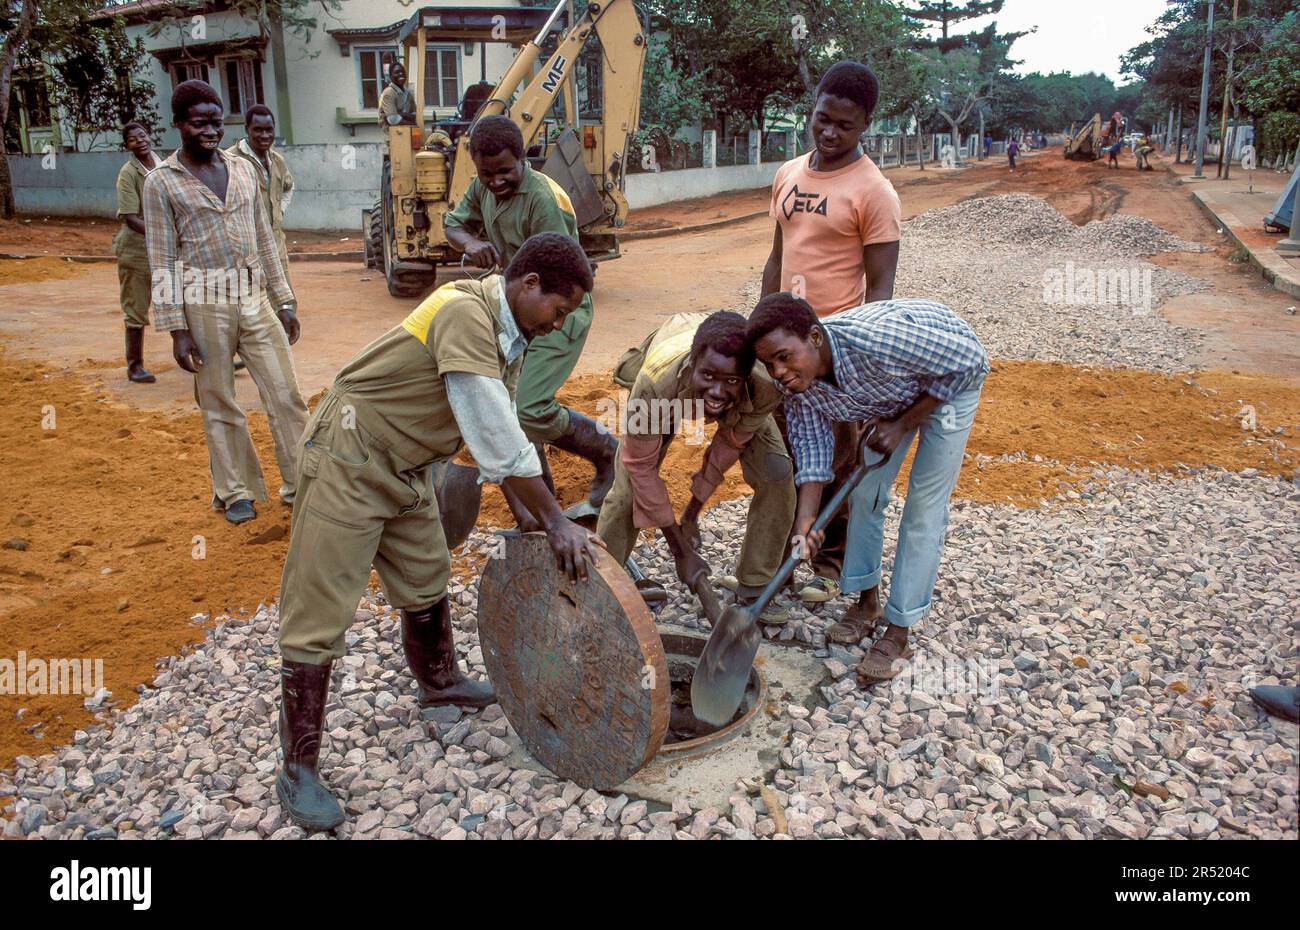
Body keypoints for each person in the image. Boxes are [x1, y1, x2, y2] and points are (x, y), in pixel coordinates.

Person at [275, 232, 603, 830]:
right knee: (318, 608)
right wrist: (556, 521)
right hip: (350, 456)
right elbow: (492, 428)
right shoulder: (463, 313)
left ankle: (440, 681)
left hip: (406, 465)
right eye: (559, 311)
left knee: (426, 571)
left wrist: (533, 517)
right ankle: (298, 768)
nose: (559, 326)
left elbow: (500, 430)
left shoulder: (508, 333)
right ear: (529, 284)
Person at [747, 294, 988, 675]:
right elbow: (813, 452)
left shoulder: (878, 339)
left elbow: (972, 360)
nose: (778, 371)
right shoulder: (796, 386)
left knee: (923, 508)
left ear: (814, 337)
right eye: (769, 364)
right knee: (863, 493)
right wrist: (806, 521)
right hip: (893, 390)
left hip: (949, 383)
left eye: (783, 356)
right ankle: (867, 601)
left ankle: (899, 629)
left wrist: (903, 423)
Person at [761, 60, 902, 608]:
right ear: (813, 108)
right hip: (782, 351)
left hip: (834, 352)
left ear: (866, 124)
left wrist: (862, 364)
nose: (829, 132)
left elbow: (881, 288)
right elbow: (777, 258)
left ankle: (829, 565)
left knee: (838, 460)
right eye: (822, 118)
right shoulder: (788, 174)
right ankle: (778, 560)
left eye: (845, 125)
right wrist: (757, 332)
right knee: (785, 455)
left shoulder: (874, 192)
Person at [143, 80, 307, 525]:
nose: (211, 131)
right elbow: (161, 259)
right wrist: (176, 330)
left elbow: (265, 239)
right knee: (219, 400)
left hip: (254, 296)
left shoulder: (244, 170)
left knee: (286, 394)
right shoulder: (161, 183)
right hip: (202, 300)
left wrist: (284, 299)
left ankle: (303, 483)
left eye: (216, 122)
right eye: (199, 123)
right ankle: (236, 491)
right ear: (179, 124)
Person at [445, 115, 617, 514]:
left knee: (527, 408)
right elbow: (454, 226)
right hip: (519, 313)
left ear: (523, 158)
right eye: (486, 174)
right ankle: (543, 511)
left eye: (505, 171)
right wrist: (471, 243)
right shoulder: (482, 186)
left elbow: (560, 277)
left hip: (557, 312)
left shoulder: (543, 201)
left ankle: (607, 451)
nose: (495, 181)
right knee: (508, 407)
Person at [596, 311, 796, 624]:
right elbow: (641, 466)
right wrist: (681, 552)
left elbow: (729, 443)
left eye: (731, 380)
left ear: (745, 376)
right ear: (692, 365)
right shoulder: (653, 384)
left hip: (738, 398)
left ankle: (755, 587)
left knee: (777, 473)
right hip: (667, 394)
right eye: (709, 376)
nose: (717, 391)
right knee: (626, 494)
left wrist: (691, 512)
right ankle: (601, 587)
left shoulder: (765, 385)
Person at [227, 104, 295, 307]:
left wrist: (279, 212)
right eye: (258, 130)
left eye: (269, 130)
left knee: (285, 303)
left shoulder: (277, 160)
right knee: (250, 307)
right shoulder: (230, 160)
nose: (264, 135)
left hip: (276, 244)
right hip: (245, 249)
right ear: (246, 129)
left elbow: (288, 187)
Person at [113, 121, 158, 384]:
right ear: (127, 146)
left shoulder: (163, 165)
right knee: (136, 307)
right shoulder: (128, 174)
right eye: (133, 139)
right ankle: (135, 365)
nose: (140, 141)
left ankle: (198, 354)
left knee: (182, 299)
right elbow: (130, 217)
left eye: (142, 135)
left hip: (163, 247)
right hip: (136, 248)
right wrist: (162, 233)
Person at [377, 61, 416, 126]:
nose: (401, 74)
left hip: (407, 129)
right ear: (391, 76)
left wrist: (401, 114)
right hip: (392, 130)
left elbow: (415, 114)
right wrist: (413, 124)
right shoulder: (388, 93)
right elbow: (393, 119)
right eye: (397, 72)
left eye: (402, 72)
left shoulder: (408, 92)